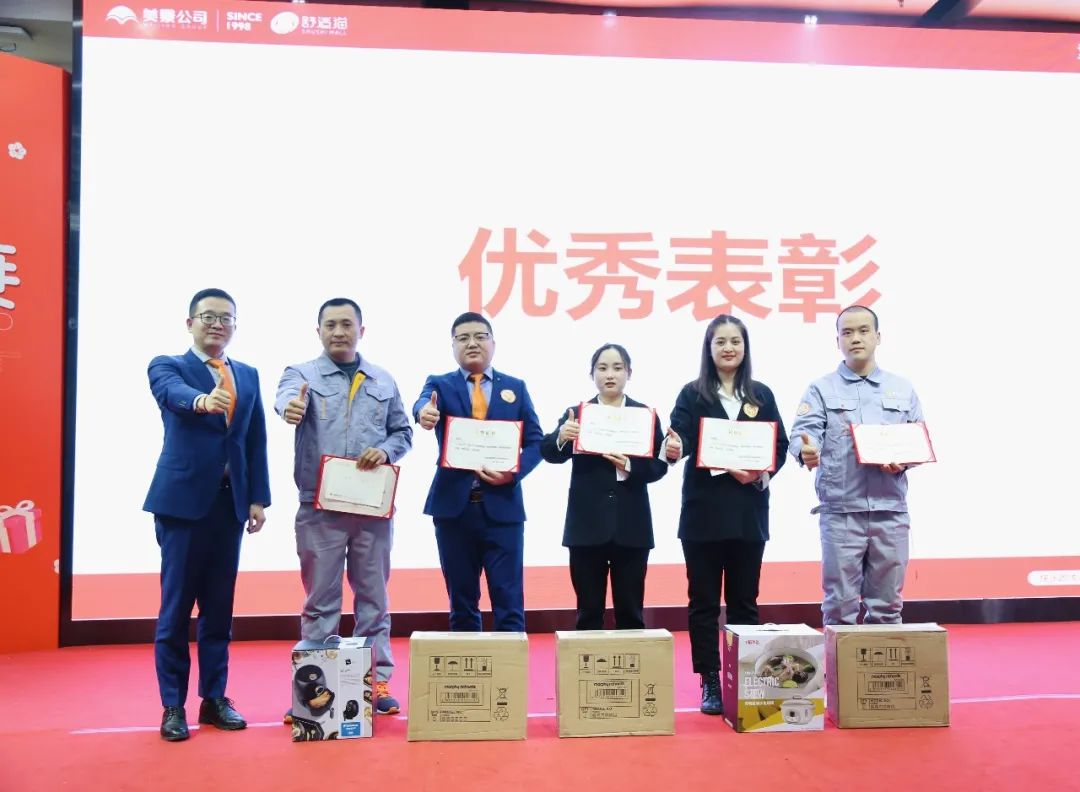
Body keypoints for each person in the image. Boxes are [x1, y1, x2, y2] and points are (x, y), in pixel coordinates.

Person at [275, 298, 413, 717]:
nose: (339, 332)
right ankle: (313, 689)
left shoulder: (383, 379)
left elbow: (403, 432)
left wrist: (386, 451)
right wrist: (291, 408)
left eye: (347, 324)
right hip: (319, 507)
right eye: (330, 324)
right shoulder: (300, 375)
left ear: (361, 331)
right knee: (321, 602)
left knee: (374, 600)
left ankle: (376, 682)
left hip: (372, 509)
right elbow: (286, 401)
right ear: (318, 331)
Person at [144, 288, 271, 742]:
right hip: (181, 505)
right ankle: (172, 705)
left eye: (226, 318)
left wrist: (257, 498)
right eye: (208, 317)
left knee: (219, 609)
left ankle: (214, 698)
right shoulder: (168, 365)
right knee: (176, 608)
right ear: (190, 323)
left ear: (235, 325)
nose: (218, 324)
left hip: (229, 505)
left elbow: (254, 440)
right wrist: (203, 401)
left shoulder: (247, 374)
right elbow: (173, 394)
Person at [665, 314, 788, 715]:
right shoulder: (692, 393)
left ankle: (746, 677)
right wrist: (673, 448)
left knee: (744, 602)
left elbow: (780, 445)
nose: (728, 348)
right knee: (702, 603)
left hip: (747, 513)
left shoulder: (761, 394)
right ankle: (711, 680)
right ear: (709, 348)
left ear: (745, 347)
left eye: (735, 341)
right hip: (702, 515)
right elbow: (680, 437)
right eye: (720, 341)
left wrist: (761, 472)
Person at [789, 305, 925, 626]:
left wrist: (903, 461)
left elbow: (917, 439)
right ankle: (839, 663)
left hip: (890, 512)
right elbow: (803, 434)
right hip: (841, 514)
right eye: (847, 332)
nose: (856, 338)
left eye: (864, 331)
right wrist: (805, 451)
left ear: (878, 336)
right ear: (837, 341)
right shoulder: (820, 389)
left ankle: (882, 661)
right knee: (839, 608)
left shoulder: (902, 388)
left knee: (888, 608)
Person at [413, 312, 543, 632]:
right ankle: (469, 666)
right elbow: (422, 404)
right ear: (453, 346)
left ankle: (509, 664)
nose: (472, 343)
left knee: (508, 600)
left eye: (480, 336)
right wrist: (424, 412)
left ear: (493, 343)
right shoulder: (439, 384)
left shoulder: (515, 387)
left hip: (503, 509)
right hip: (453, 510)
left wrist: (513, 474)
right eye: (463, 338)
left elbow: (536, 442)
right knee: (462, 601)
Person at [540, 343, 667, 630]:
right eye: (603, 368)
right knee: (588, 613)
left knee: (631, 613)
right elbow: (549, 452)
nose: (610, 374)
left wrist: (631, 465)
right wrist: (562, 436)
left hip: (631, 527)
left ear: (629, 373)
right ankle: (588, 662)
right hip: (586, 527)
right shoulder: (577, 413)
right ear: (592, 374)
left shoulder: (644, 415)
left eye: (617, 368)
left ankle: (632, 661)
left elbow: (659, 466)